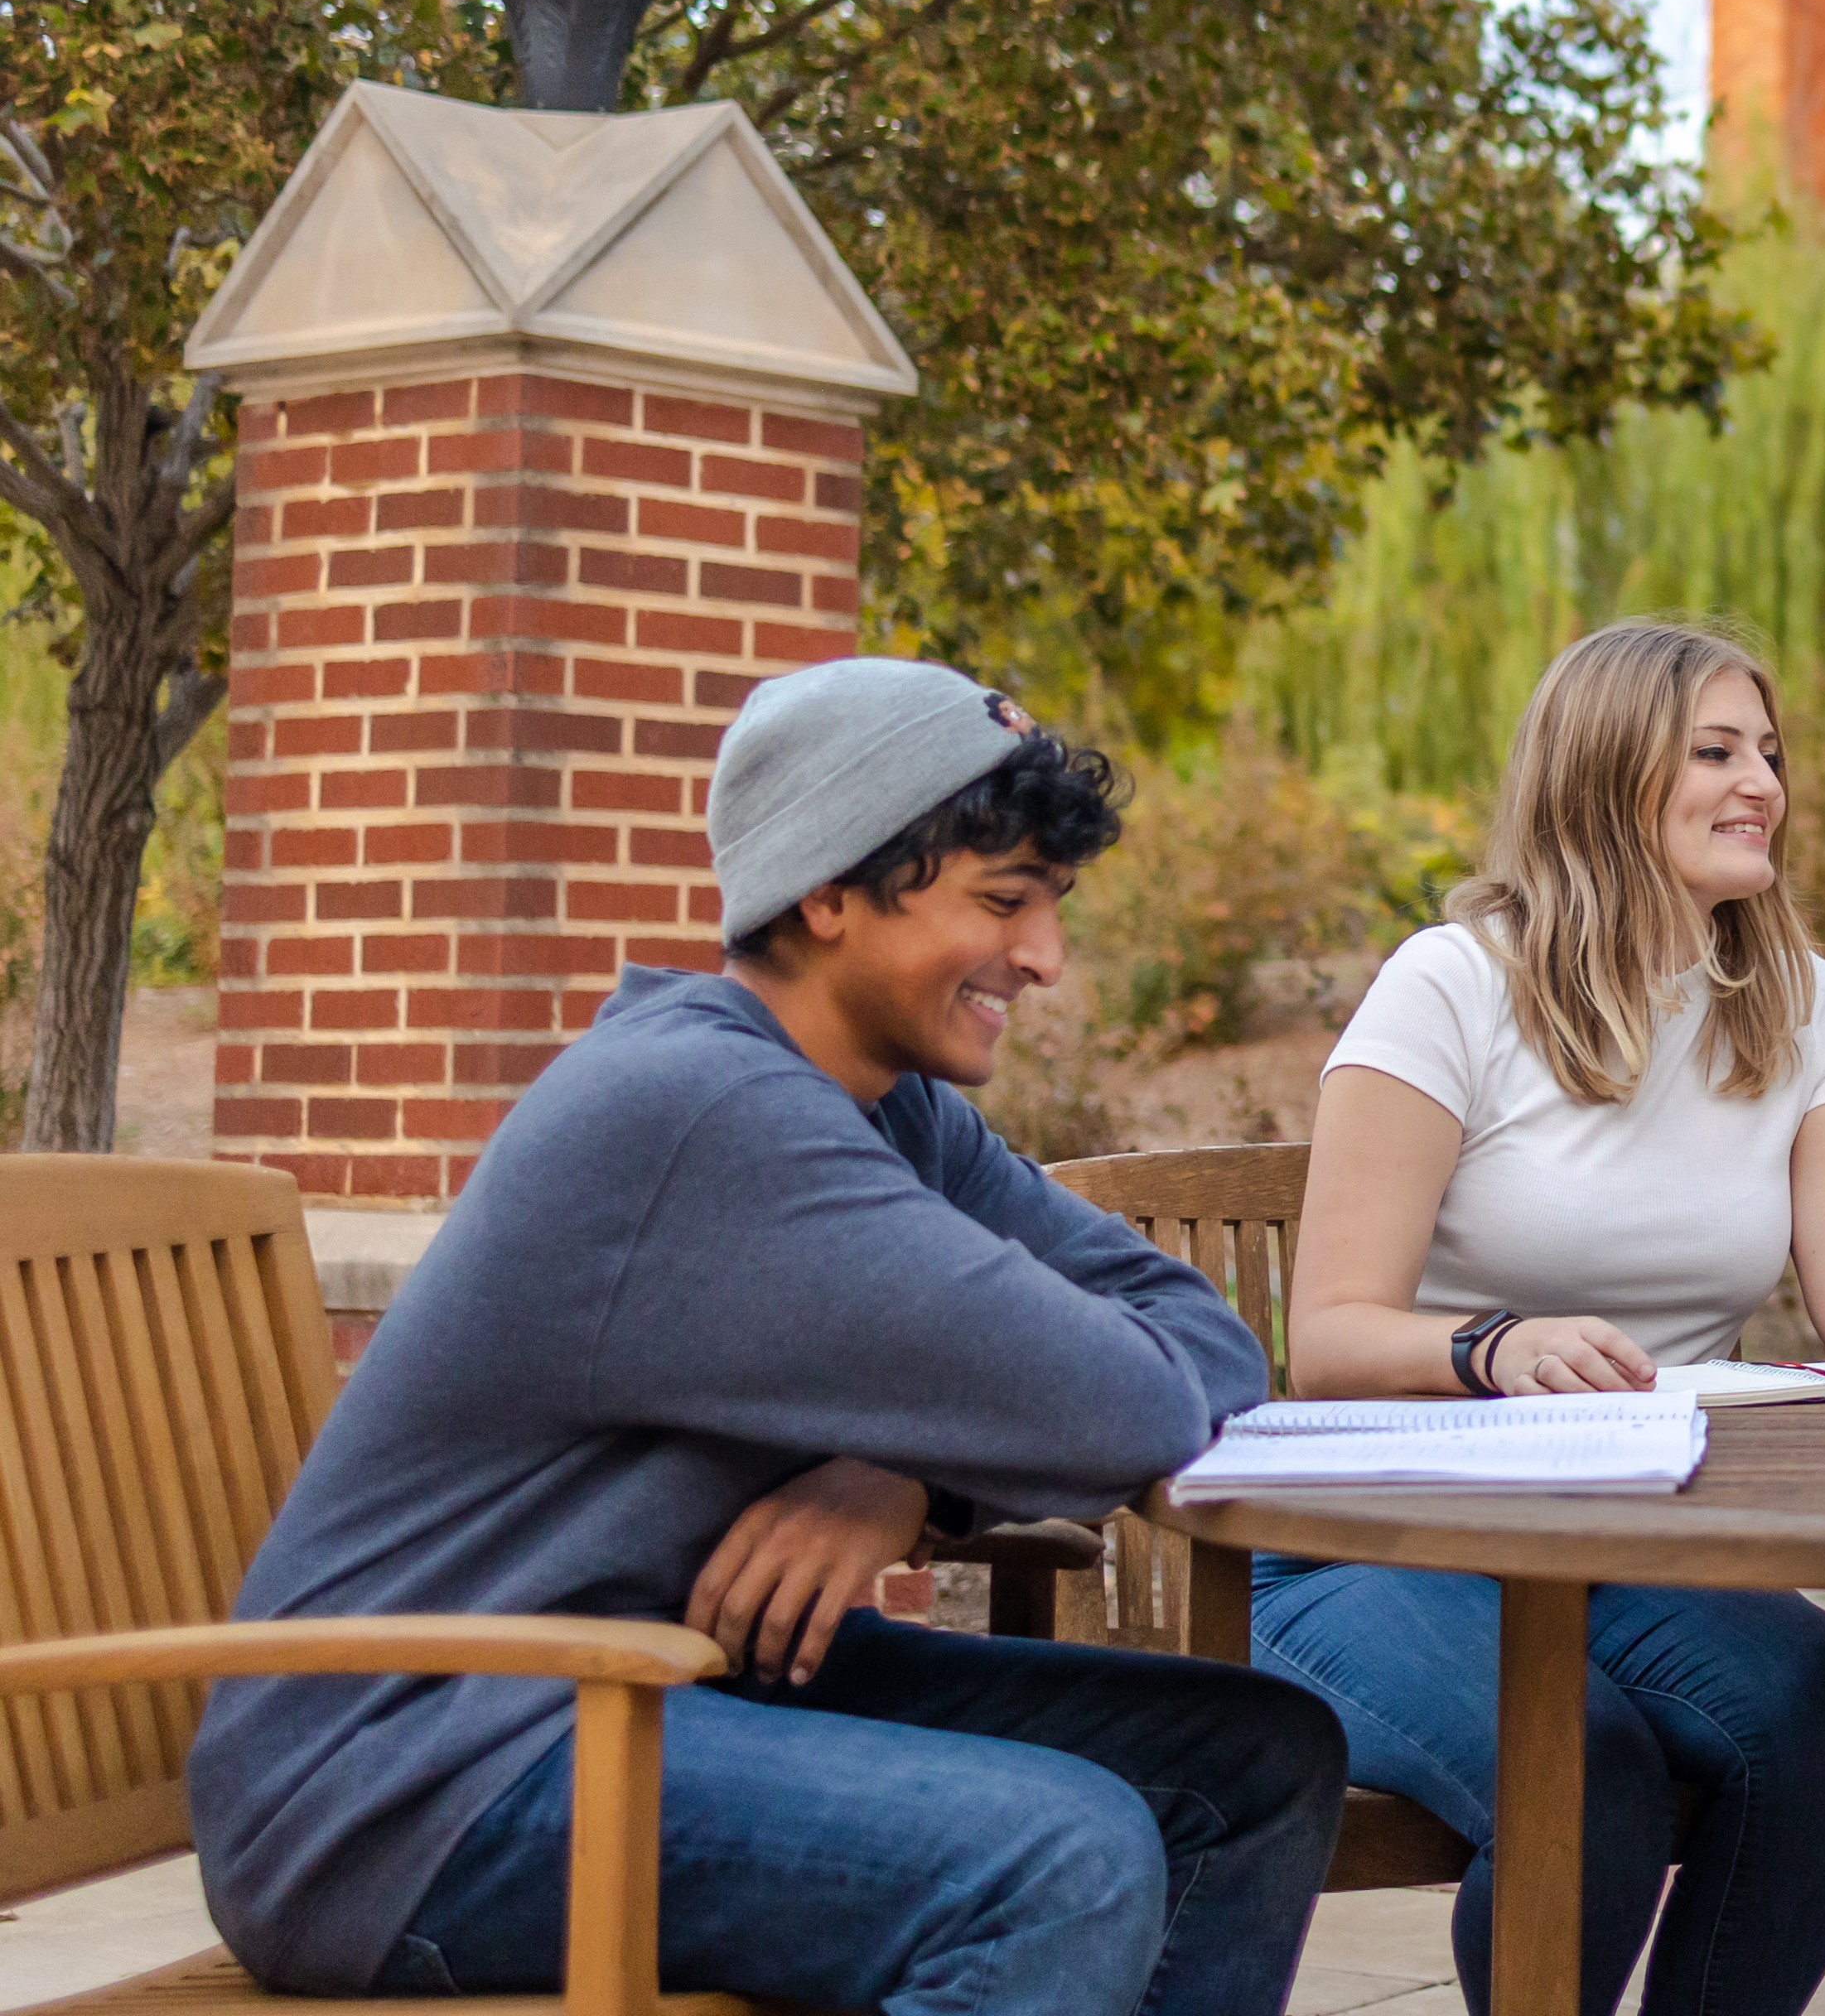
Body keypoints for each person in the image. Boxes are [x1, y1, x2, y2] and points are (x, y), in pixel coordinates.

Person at [189, 655, 1346, 2016]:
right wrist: (948, 1469)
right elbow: (1137, 1409)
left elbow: (1202, 1342)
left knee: (1256, 1760)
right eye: (1002, 903)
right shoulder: (706, 1117)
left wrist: (904, 1485)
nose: (1043, 960)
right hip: (406, 1787)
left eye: (1052, 906)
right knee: (1054, 1859)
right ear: (830, 889)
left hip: (637, 1690)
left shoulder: (883, 1109)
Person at [1262, 615, 1825, 2016]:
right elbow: (1332, 1332)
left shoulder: (1803, 1005)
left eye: (1770, 753)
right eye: (1717, 751)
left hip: (1620, 1534)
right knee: (1580, 1762)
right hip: (1372, 1542)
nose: (1763, 785)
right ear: (1605, 776)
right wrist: (1498, 1346)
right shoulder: (1454, 986)